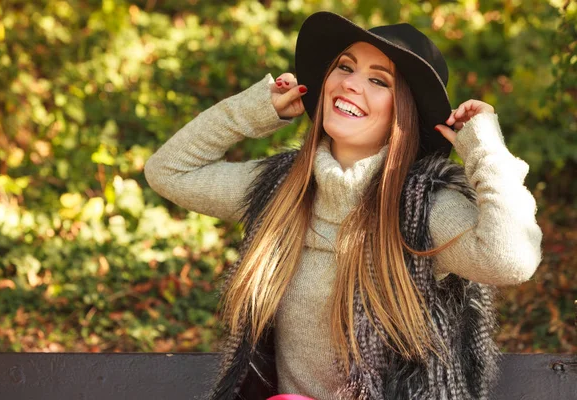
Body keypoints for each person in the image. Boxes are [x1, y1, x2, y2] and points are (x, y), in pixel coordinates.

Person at [144, 11, 542, 400]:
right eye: (345, 67)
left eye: (377, 80)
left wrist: (485, 147)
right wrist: (252, 111)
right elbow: (168, 171)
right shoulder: (281, 189)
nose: (351, 84)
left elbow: (511, 259)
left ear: (403, 111)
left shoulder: (421, 208)